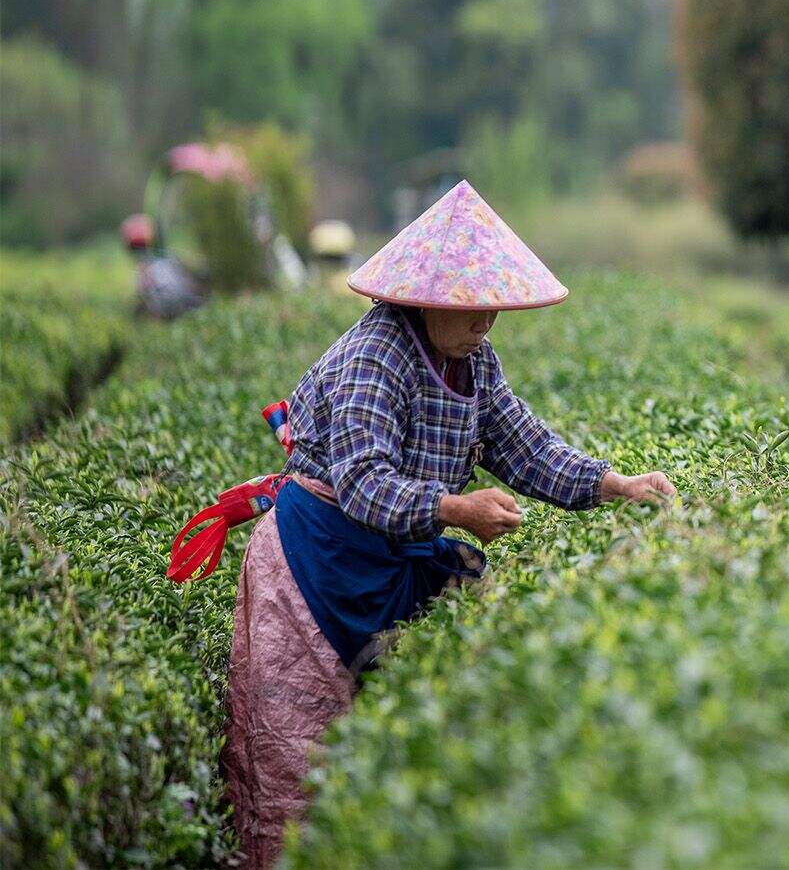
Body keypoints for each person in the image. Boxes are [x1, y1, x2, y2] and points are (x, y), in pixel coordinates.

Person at [203, 180, 677, 867]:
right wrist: (457, 509)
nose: (485, 320)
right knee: (298, 760)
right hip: (317, 564)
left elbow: (525, 445)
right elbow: (364, 484)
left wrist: (615, 484)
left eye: (493, 306)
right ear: (425, 298)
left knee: (390, 747)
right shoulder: (376, 355)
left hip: (386, 558)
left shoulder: (474, 362)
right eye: (471, 305)